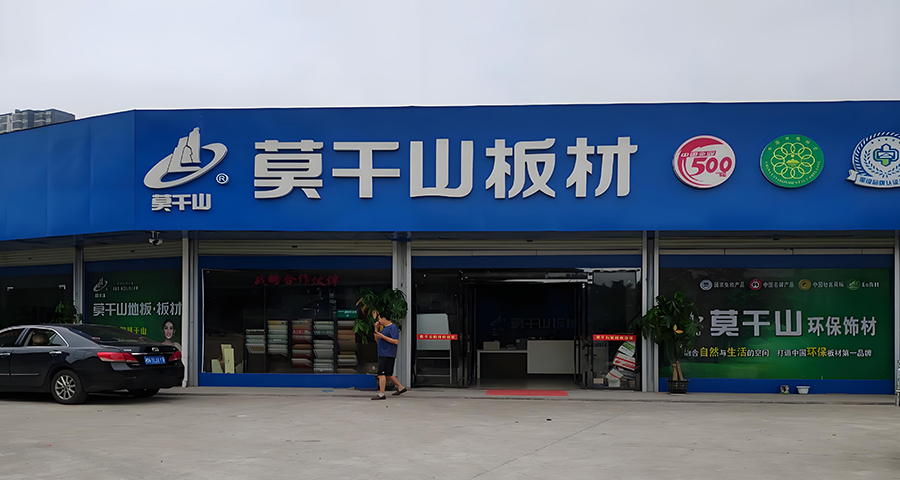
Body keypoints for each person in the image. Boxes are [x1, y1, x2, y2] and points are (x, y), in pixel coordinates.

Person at [371, 312, 407, 400]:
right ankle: (400, 387)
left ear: (383, 318)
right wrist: (376, 329)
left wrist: (382, 336)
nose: (379, 321)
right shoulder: (384, 329)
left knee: (381, 374)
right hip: (383, 353)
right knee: (388, 374)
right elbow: (377, 340)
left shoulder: (392, 327)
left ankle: (381, 393)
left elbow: (395, 341)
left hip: (387, 353)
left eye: (379, 319)